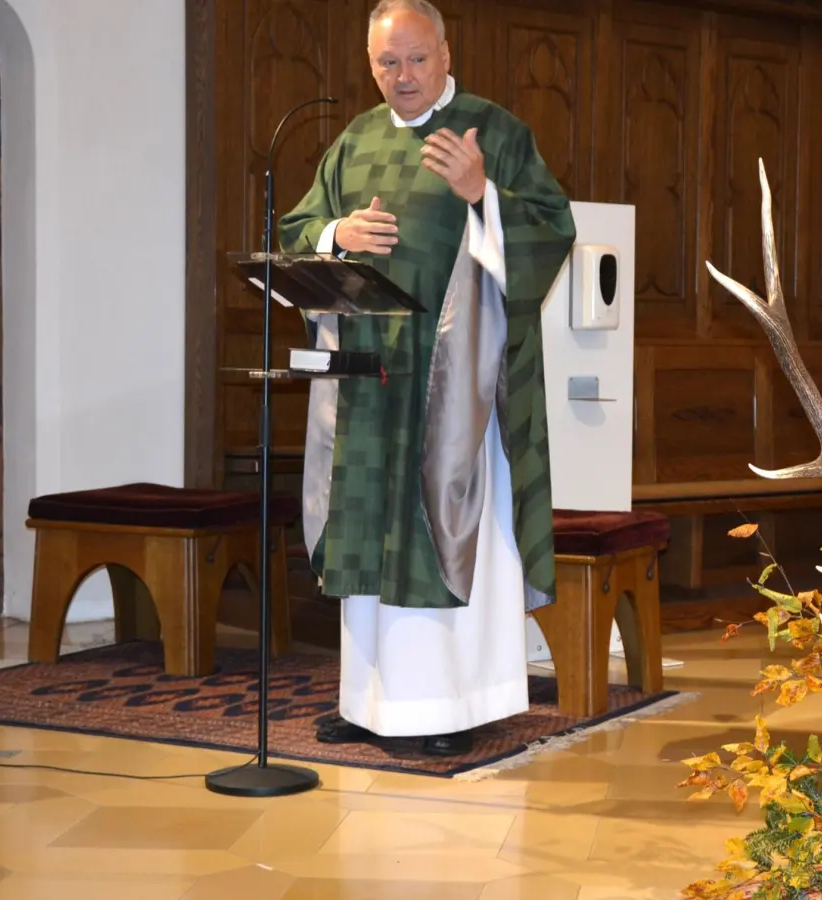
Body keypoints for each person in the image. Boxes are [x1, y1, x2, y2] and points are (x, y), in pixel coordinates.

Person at [277, 0, 575, 756]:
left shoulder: (493, 132)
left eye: (416, 58)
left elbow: (553, 229)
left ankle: (452, 707)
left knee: (442, 526)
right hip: (367, 381)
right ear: (370, 65)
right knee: (366, 533)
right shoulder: (354, 140)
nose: (403, 75)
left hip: (452, 384)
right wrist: (337, 233)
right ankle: (368, 703)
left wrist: (484, 197)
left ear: (446, 54)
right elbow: (295, 233)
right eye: (388, 62)